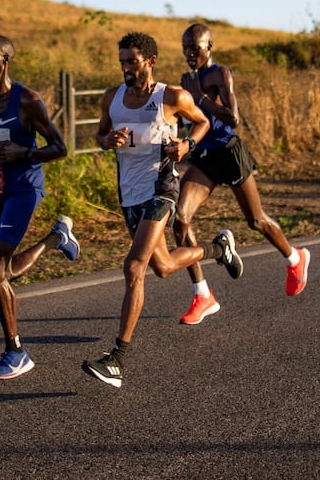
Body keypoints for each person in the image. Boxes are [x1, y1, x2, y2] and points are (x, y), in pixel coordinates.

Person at [82, 31, 244, 388]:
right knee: (164, 266)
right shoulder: (113, 98)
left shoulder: (172, 97)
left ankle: (117, 359)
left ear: (150, 62)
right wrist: (108, 141)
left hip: (161, 189)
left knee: (134, 266)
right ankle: (220, 248)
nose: (125, 67)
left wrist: (186, 144)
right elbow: (100, 134)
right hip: (129, 194)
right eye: (122, 61)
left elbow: (201, 121)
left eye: (132, 61)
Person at [173, 22, 311, 325]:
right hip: (205, 155)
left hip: (230, 152)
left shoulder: (219, 74)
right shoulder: (187, 79)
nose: (189, 53)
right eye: (185, 47)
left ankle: (295, 258)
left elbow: (233, 118)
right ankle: (203, 294)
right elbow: (187, 116)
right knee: (180, 218)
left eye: (194, 48)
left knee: (256, 220)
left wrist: (203, 98)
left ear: (209, 47)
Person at [0, 34, 80, 380]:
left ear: (5, 61)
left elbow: (59, 148)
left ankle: (16, 352)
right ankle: (56, 239)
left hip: (25, 187)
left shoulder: (27, 101)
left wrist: (23, 153)